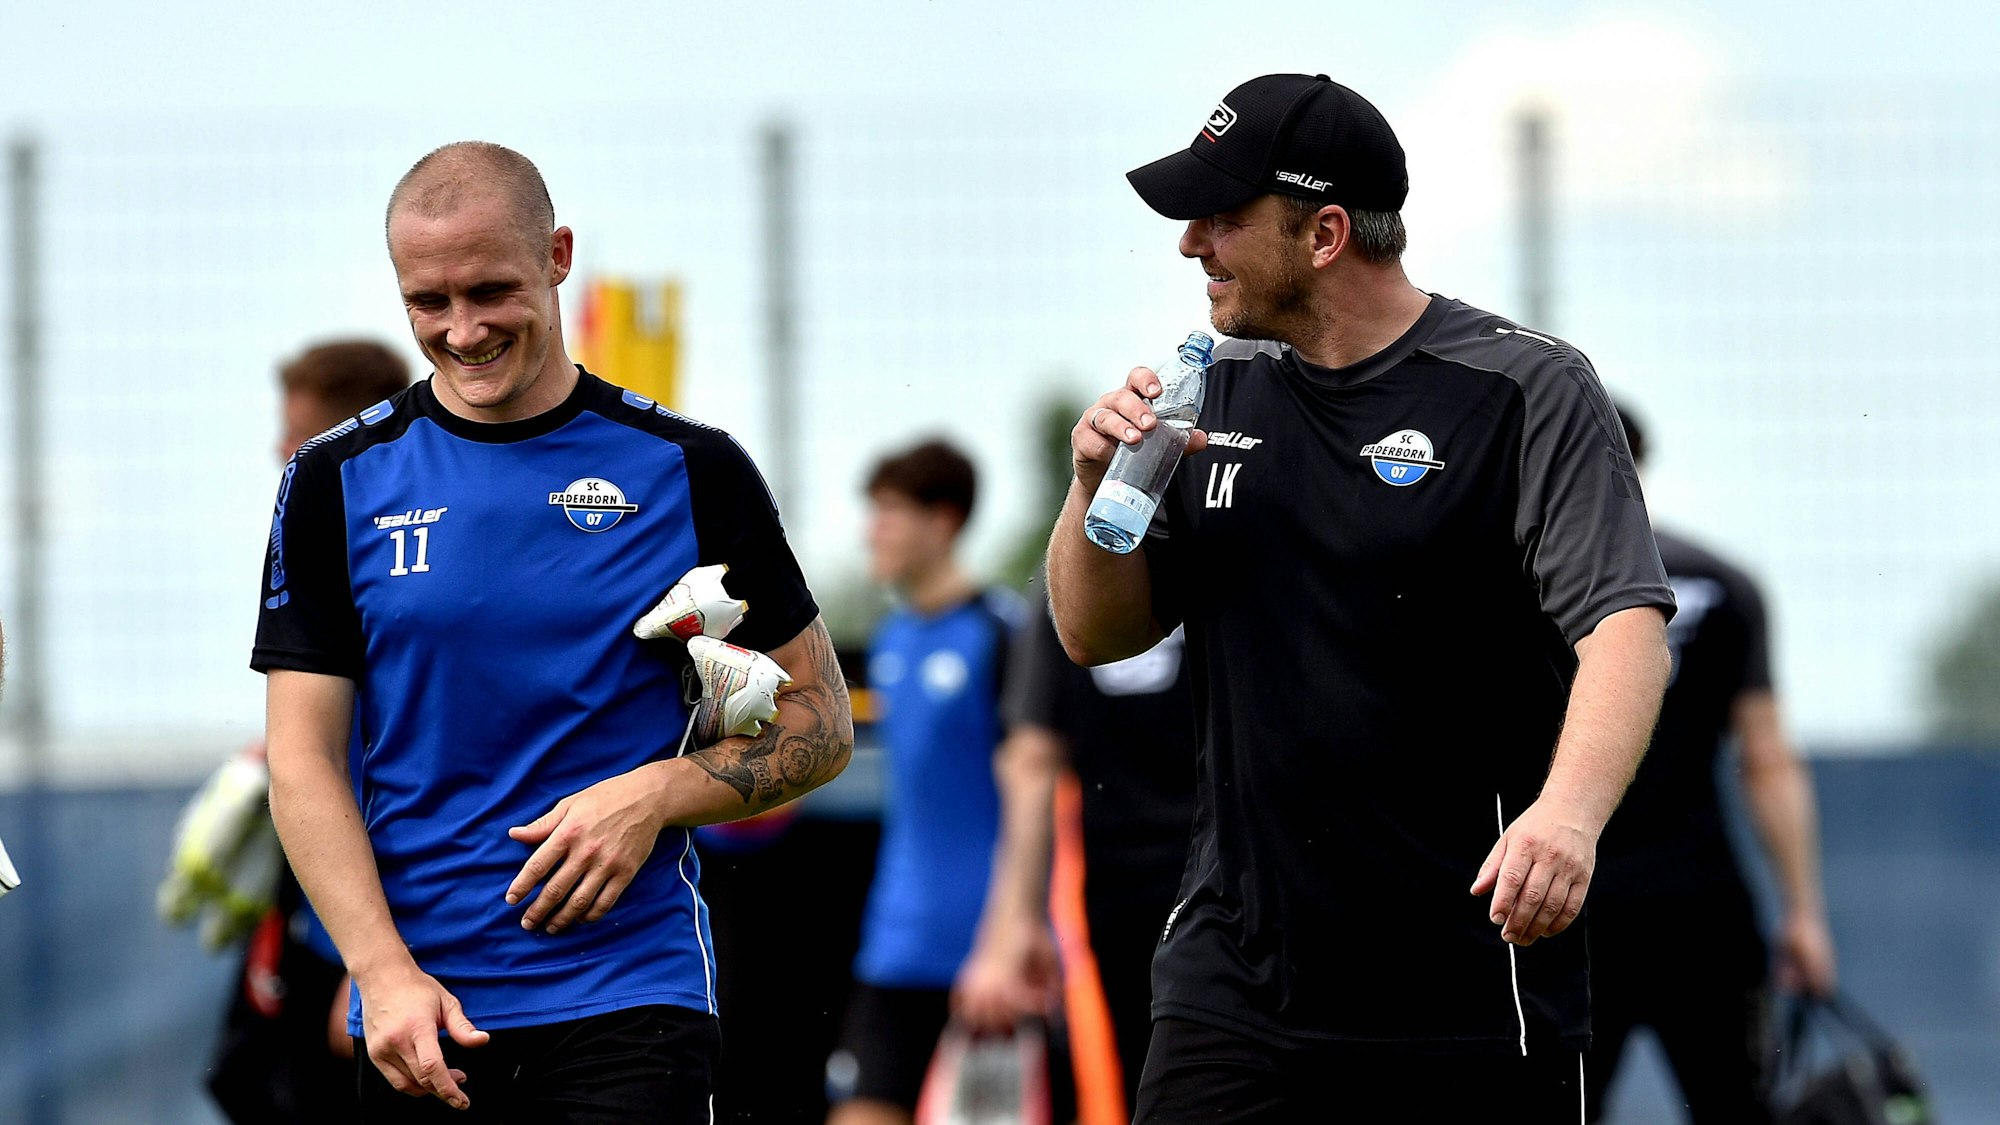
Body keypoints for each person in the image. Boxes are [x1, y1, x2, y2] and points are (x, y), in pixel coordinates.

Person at [1046, 74, 1677, 1121]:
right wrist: (1087, 490)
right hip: (1231, 989)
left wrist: (1567, 816)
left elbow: (1625, 626)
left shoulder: (1522, 389)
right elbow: (1091, 632)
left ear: (1325, 233)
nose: (1190, 244)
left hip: (1468, 986)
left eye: (1222, 217)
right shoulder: (1210, 388)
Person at [254, 141, 852, 1122]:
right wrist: (380, 971)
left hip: (632, 993)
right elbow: (301, 759)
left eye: (490, 290)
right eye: (428, 302)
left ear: (557, 255)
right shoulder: (333, 481)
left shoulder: (691, 470)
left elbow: (820, 724)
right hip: (424, 1012)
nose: (463, 330)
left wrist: (653, 795)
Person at [1583, 404, 1837, 1123]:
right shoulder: (1720, 582)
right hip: (1701, 909)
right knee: (1738, 1108)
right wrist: (1803, 913)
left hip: (1562, 909)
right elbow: (1767, 758)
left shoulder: (1515, 584)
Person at [200, 340, 410, 1125]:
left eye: (294, 438)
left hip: (376, 950)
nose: (278, 454)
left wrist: (374, 964)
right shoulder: (322, 552)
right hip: (324, 936)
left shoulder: (406, 574)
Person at [826, 440, 1023, 1125]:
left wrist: (1008, 941)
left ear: (943, 521)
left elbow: (1040, 798)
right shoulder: (889, 639)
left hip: (989, 954)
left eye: (889, 512)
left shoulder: (1004, 635)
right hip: (896, 946)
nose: (871, 532)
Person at [954, 568, 1197, 1121]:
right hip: (1131, 892)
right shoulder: (1070, 574)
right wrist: (1014, 923)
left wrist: (1015, 925)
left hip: (1205, 884)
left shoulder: (1226, 558)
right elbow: (1032, 759)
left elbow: (1032, 759)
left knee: (1161, 1083)